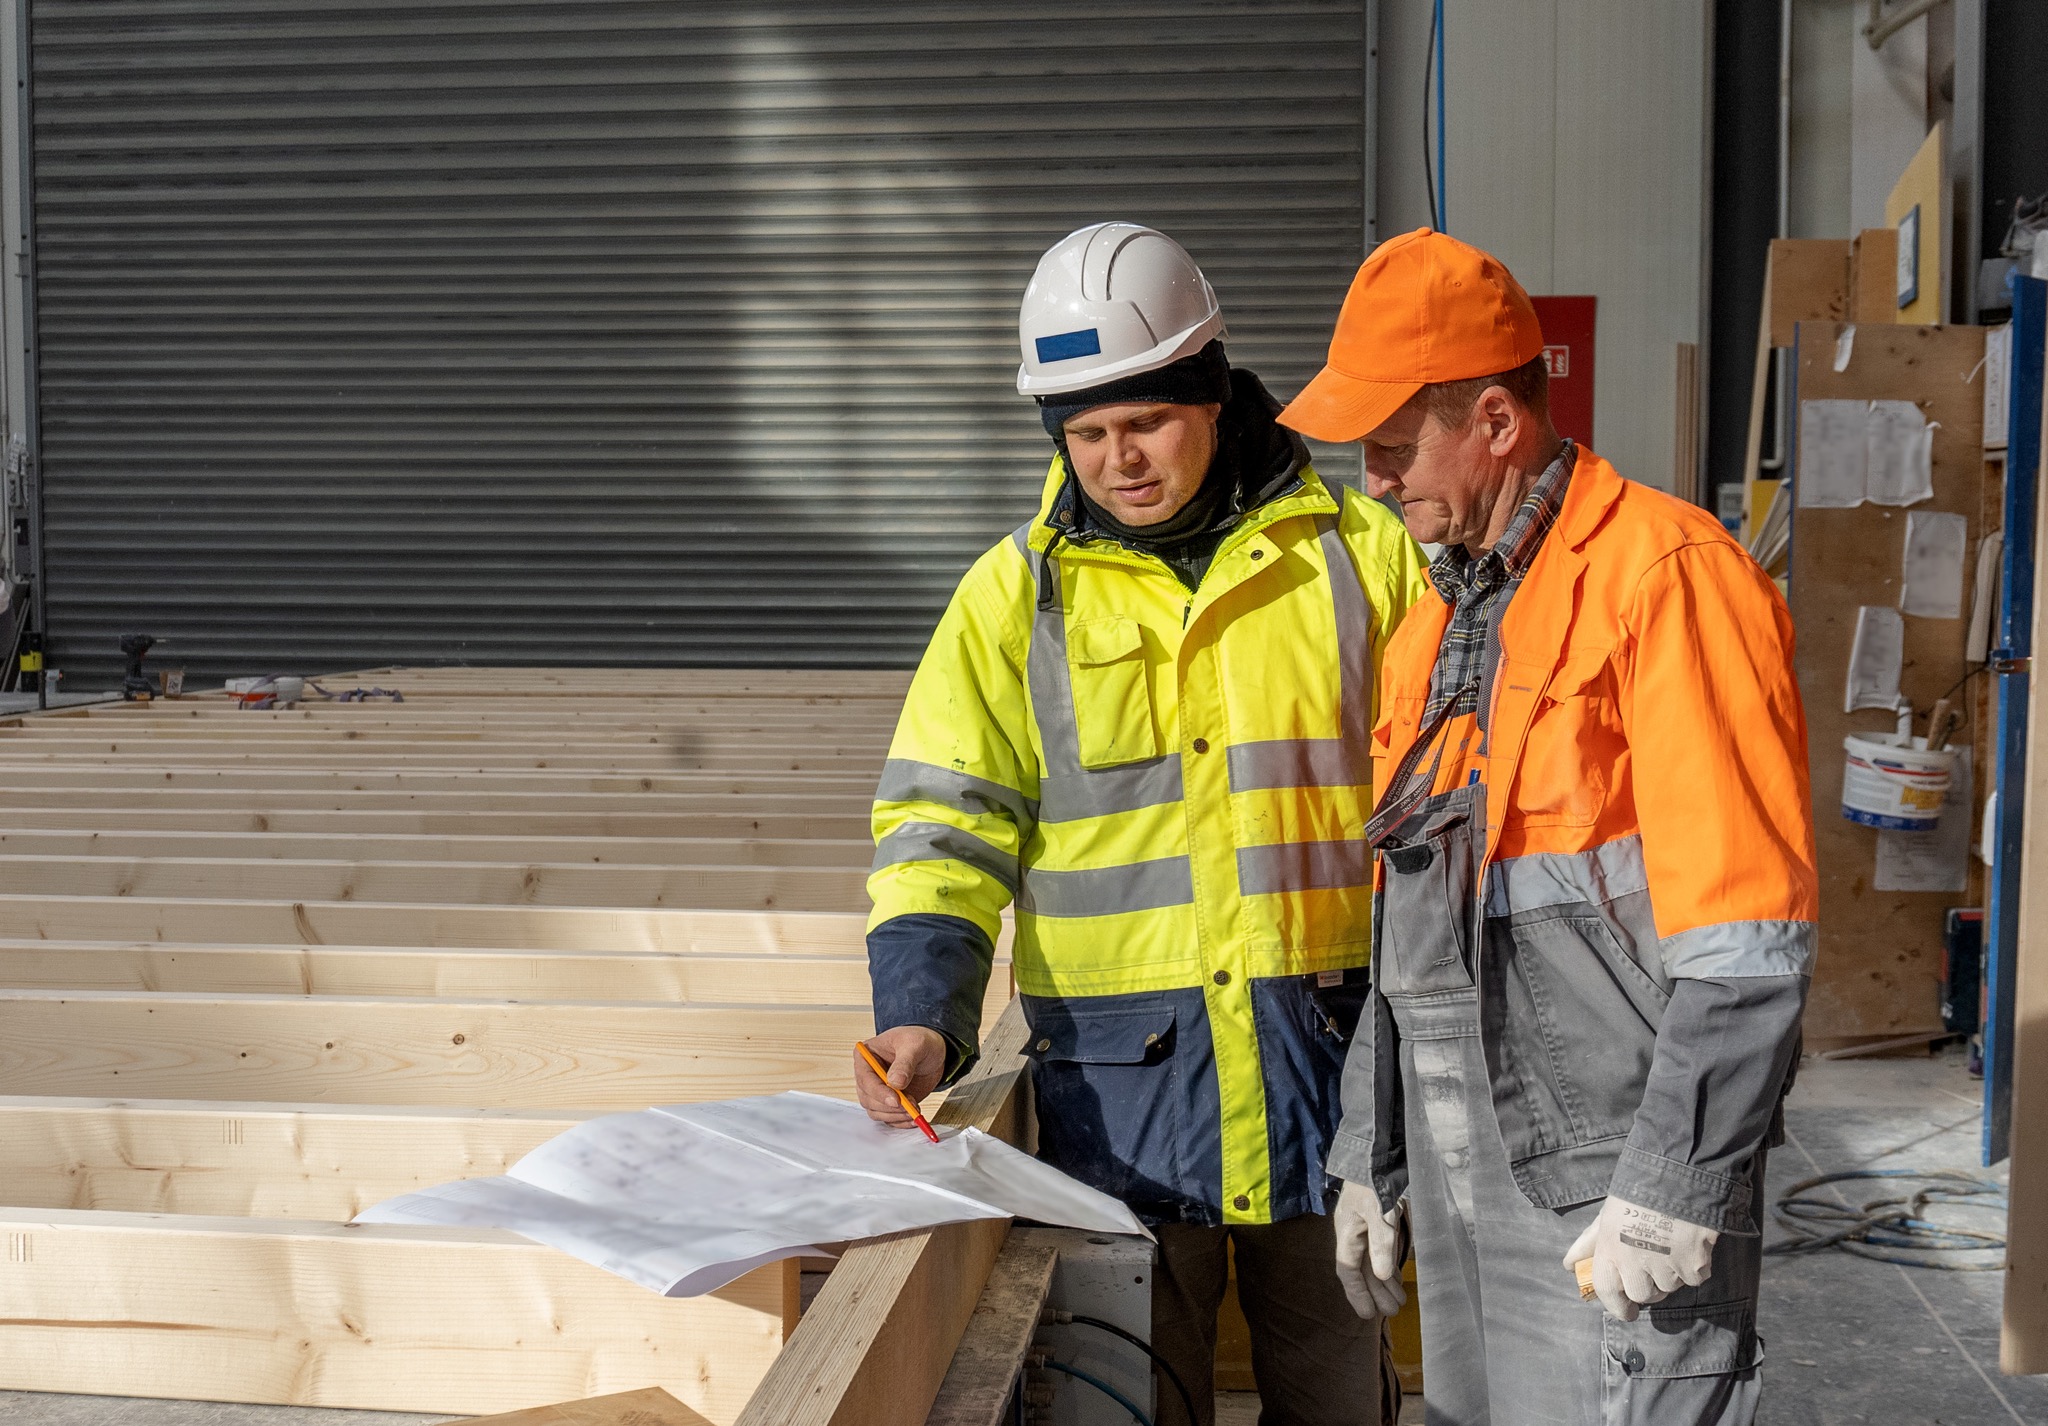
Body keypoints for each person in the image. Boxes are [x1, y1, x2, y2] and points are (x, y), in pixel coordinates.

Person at [855, 221, 1429, 1426]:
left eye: (1146, 422)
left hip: (1325, 1083)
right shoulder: (1015, 595)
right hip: (1119, 1106)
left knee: (1336, 1396)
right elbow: (939, 827)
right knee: (1130, 1402)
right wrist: (919, 1012)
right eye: (1088, 433)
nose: (1119, 459)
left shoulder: (1359, 557)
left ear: (1212, 397)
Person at [1278, 228, 1817, 1425]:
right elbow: (1411, 918)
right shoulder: (1434, 627)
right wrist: (1372, 1150)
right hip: (1469, 1173)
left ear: (1495, 422)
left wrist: (1678, 1178)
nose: (1368, 476)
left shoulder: (1665, 575)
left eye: (1389, 443)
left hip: (1616, 1180)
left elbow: (1743, 931)